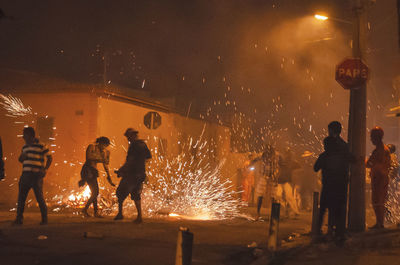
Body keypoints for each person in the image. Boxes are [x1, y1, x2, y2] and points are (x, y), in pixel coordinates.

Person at [314, 136, 350, 242]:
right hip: (338, 188)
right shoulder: (341, 156)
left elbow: (315, 168)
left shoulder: (324, 156)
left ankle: (318, 232)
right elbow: (352, 160)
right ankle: (336, 232)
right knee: (335, 210)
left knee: (323, 210)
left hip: (327, 187)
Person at [14, 127, 52, 225]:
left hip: (36, 176)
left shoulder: (41, 145)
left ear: (31, 135)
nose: (23, 137)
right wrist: (21, 157)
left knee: (39, 197)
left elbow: (50, 158)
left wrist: (45, 169)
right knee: (21, 198)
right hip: (25, 175)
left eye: (25, 135)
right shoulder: (24, 147)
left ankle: (44, 219)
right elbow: (21, 159)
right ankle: (19, 219)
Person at [114, 128, 152, 223]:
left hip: (131, 175)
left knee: (120, 192)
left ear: (132, 135)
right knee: (136, 194)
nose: (128, 139)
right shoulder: (143, 144)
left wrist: (121, 170)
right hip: (140, 174)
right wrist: (140, 165)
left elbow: (130, 161)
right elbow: (148, 157)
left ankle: (120, 214)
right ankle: (139, 216)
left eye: (128, 137)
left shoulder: (133, 145)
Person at [79, 136, 115, 217]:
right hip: (87, 170)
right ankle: (85, 210)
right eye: (104, 145)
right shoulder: (92, 147)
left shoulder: (104, 152)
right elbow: (88, 158)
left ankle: (95, 212)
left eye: (106, 146)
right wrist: (101, 159)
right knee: (96, 192)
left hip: (94, 171)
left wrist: (109, 177)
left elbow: (106, 166)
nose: (104, 147)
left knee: (94, 192)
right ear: (100, 143)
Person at [366, 126, 391, 229]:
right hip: (382, 178)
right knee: (379, 201)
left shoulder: (379, 151)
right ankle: (379, 223)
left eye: (372, 137)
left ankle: (380, 224)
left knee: (378, 201)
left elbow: (370, 164)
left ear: (376, 137)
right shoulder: (383, 149)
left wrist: (362, 161)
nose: (371, 139)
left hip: (379, 179)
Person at [277, 147, 300, 217]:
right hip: (280, 181)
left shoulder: (292, 163)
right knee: (279, 196)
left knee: (288, 197)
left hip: (286, 182)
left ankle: (294, 211)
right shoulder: (281, 162)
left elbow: (299, 169)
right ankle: (285, 211)